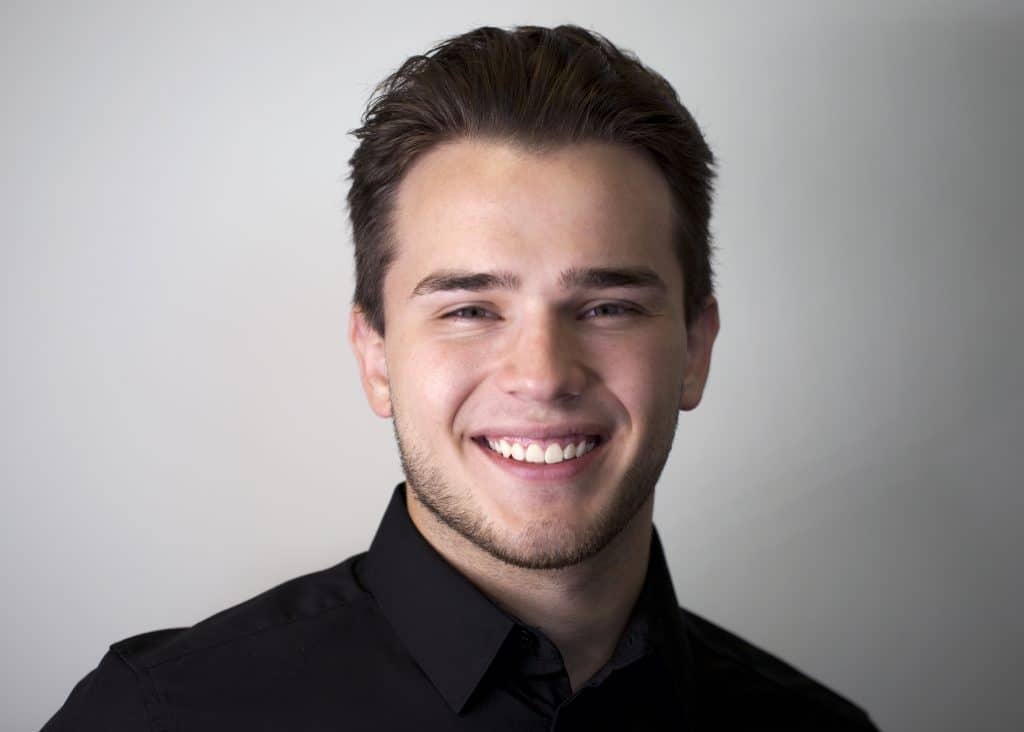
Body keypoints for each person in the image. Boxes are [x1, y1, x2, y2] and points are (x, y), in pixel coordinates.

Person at [42, 24, 879, 731]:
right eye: (470, 309)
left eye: (608, 307)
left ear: (695, 349)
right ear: (375, 355)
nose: (544, 376)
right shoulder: (159, 717)